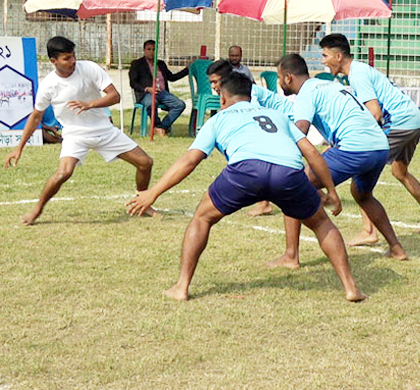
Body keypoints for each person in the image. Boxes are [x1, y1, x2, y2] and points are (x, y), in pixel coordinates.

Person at [126, 72, 366, 302]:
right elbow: (312, 153)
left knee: (201, 218)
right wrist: (331, 191)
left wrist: (153, 193)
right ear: (252, 95)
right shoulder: (277, 116)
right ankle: (350, 286)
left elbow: (190, 160)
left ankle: (181, 288)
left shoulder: (218, 118)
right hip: (288, 173)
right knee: (322, 223)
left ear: (222, 97)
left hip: (246, 172)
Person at [271, 54, 408, 268]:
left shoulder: (306, 92)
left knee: (293, 188)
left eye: (279, 77)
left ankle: (291, 256)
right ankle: (396, 248)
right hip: (379, 146)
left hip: (354, 146)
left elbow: (301, 131)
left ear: (288, 77)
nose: (279, 82)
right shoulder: (328, 85)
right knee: (362, 195)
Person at [3, 36, 157, 225]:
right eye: (67, 58)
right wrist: (19, 148)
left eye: (73, 55)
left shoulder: (89, 68)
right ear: (54, 61)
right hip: (75, 135)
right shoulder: (48, 85)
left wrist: (90, 104)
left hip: (104, 130)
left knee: (145, 163)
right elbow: (35, 116)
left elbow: (115, 96)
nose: (73, 61)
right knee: (63, 173)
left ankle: (143, 202)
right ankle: (37, 209)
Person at [320, 33, 420, 244]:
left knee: (360, 176)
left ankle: (369, 231)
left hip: (399, 123)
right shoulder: (359, 70)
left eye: (325, 55)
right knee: (400, 171)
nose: (323, 61)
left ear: (338, 56)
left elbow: (375, 113)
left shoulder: (357, 75)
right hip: (413, 120)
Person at [206, 59, 292, 217]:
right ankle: (315, 194)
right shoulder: (234, 93)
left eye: (215, 82)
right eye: (211, 82)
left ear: (225, 79)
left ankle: (264, 204)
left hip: (291, 120)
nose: (213, 87)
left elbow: (253, 118)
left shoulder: (247, 93)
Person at [129, 40, 189, 137]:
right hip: (146, 93)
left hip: (162, 93)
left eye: (154, 49)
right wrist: (147, 89)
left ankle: (161, 126)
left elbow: (172, 77)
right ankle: (157, 124)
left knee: (179, 105)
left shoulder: (160, 64)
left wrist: (187, 69)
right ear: (144, 50)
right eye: (149, 49)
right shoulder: (137, 64)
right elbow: (133, 83)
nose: (151, 52)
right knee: (152, 103)